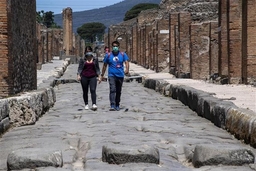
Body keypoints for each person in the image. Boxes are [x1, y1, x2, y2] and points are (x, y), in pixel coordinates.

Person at [99, 40, 129, 111]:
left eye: (116, 46)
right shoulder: (108, 55)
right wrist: (102, 74)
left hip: (120, 75)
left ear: (118, 47)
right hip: (111, 75)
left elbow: (126, 62)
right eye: (114, 46)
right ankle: (112, 105)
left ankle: (117, 104)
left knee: (118, 91)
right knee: (112, 89)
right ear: (112, 47)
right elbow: (105, 65)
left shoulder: (122, 54)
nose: (115, 47)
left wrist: (127, 69)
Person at [77, 46, 100, 110]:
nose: (88, 52)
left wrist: (99, 76)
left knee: (93, 90)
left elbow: (97, 68)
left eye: (89, 51)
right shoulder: (82, 59)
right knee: (85, 91)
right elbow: (80, 68)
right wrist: (78, 75)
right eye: (87, 51)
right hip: (84, 76)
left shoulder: (95, 59)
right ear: (85, 52)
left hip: (93, 76)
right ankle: (86, 104)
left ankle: (94, 104)